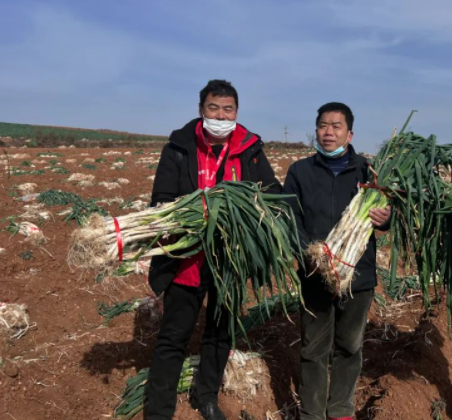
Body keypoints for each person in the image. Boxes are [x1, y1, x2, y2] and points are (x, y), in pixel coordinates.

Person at [145, 79, 281, 420]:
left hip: (231, 261)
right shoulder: (178, 147)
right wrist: (198, 215)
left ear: (236, 112)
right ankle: (158, 411)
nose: (221, 115)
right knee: (174, 335)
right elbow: (161, 200)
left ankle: (205, 397)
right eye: (213, 108)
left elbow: (274, 194)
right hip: (186, 260)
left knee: (220, 333)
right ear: (201, 110)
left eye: (228, 109)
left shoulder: (250, 149)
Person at [282, 102, 390, 420]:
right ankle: (312, 412)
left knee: (350, 345)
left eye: (336, 126)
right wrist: (312, 254)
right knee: (313, 347)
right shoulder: (300, 171)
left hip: (358, 274)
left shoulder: (369, 171)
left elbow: (386, 218)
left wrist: (386, 218)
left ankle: (341, 407)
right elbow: (289, 217)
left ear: (349, 133)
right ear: (316, 131)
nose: (328, 132)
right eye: (323, 125)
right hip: (316, 272)